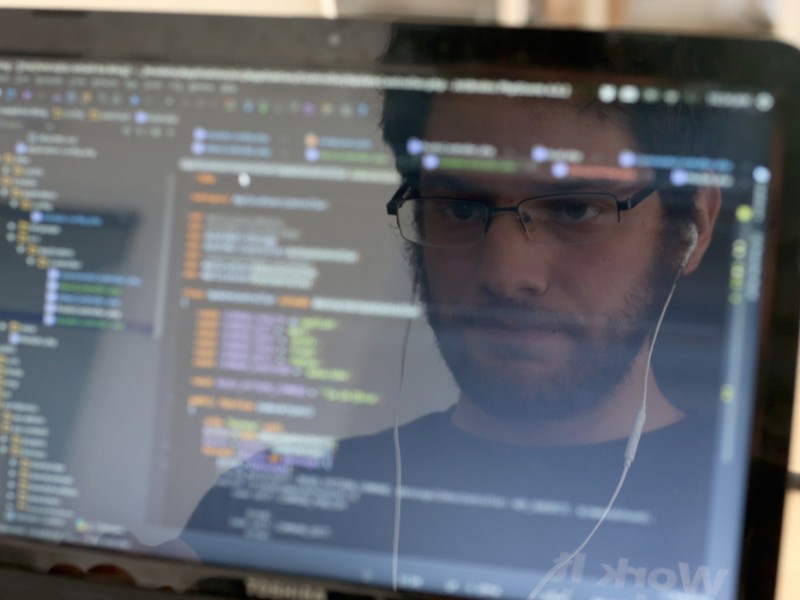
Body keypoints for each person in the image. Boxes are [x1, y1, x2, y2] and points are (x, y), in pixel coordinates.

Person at [183, 77, 729, 598]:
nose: (506, 274)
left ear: (694, 226)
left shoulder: (756, 528)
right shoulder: (261, 510)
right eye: (460, 208)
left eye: (575, 208)